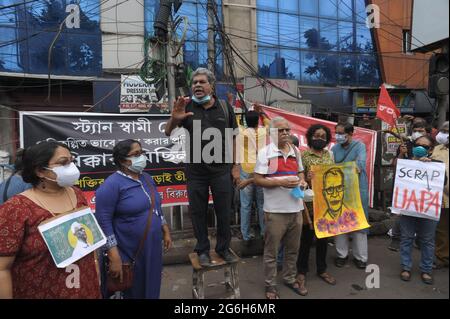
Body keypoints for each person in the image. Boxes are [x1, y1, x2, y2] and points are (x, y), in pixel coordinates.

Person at [0, 141, 100, 298]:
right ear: (40, 171)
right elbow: (2, 268)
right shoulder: (16, 208)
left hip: (86, 290)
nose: (72, 167)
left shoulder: (77, 194)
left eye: (72, 161)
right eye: (63, 163)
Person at [164, 68, 239, 266]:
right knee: (198, 212)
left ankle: (223, 248)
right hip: (195, 172)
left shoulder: (224, 107)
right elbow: (167, 132)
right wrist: (175, 118)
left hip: (221, 170)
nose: (197, 84)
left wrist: (236, 166)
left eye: (201, 81)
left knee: (224, 212)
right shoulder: (186, 108)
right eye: (194, 82)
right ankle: (203, 250)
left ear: (211, 86)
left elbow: (234, 137)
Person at [95, 139, 172, 299]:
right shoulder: (111, 185)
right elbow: (103, 221)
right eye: (136, 154)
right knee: (132, 289)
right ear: (123, 160)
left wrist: (165, 229)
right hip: (128, 250)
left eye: (142, 153)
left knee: (151, 284)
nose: (142, 157)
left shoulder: (147, 178)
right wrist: (113, 254)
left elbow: (155, 206)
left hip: (151, 248)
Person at [254, 116, 308, 299]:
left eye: (287, 130)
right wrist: (280, 182)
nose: (285, 133)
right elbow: (258, 179)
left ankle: (290, 278)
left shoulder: (295, 151)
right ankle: (270, 286)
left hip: (296, 209)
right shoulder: (265, 153)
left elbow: (300, 171)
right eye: (280, 130)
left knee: (293, 249)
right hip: (275, 212)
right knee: (272, 251)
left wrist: (302, 180)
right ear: (271, 133)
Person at [297, 124, 337, 294]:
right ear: (310, 136)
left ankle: (322, 269)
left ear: (327, 139)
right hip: (309, 206)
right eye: (316, 135)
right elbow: (299, 179)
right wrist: (306, 178)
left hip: (326, 205)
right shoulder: (303, 155)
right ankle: (301, 272)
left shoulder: (330, 154)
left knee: (323, 240)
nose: (319, 138)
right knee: (305, 240)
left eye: (323, 136)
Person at [399, 135, 441, 284]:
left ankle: (426, 270)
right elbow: (397, 175)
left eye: (425, 146)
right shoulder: (406, 163)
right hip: (408, 208)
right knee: (406, 238)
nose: (421, 148)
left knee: (428, 240)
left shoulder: (437, 165)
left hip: (428, 209)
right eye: (418, 145)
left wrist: (430, 165)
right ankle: (406, 267)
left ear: (430, 150)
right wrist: (406, 158)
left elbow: (444, 181)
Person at [389, 120, 431, 251]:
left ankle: (418, 239)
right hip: (406, 186)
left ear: (427, 132)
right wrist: (402, 153)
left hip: (424, 187)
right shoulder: (405, 144)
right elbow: (395, 164)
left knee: (422, 213)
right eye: (415, 130)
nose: (417, 133)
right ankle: (396, 238)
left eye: (421, 130)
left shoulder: (430, 146)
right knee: (402, 212)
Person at [332, 122, 369, 269]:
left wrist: (343, 168)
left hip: (357, 190)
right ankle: (342, 255)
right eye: (337, 133)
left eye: (341, 133)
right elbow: (330, 167)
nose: (338, 136)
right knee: (340, 223)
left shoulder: (359, 146)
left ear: (351, 134)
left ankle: (361, 257)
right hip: (339, 190)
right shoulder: (334, 148)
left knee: (359, 223)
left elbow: (359, 165)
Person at [237, 104, 270, 242]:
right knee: (262, 203)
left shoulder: (242, 132)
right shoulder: (265, 131)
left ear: (246, 121)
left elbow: (236, 122)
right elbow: (269, 122)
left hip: (247, 169)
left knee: (246, 204)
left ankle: (245, 235)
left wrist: (239, 115)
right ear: (258, 121)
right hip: (262, 170)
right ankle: (264, 232)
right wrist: (261, 113)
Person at [431, 121, 449, 268]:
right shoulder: (437, 148)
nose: (443, 134)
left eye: (446, 131)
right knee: (441, 229)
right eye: (442, 131)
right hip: (441, 197)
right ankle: (442, 257)